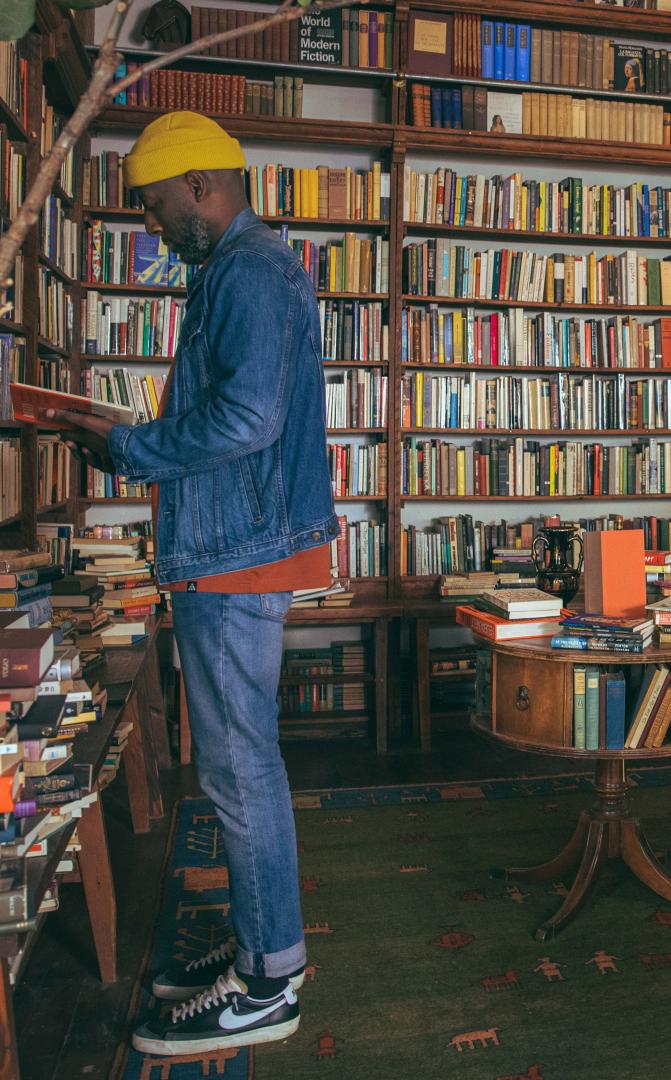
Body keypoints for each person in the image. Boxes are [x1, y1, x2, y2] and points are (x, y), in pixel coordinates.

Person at [49, 111, 338, 1055]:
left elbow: (248, 419)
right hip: (237, 547)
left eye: (155, 205)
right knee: (239, 763)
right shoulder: (244, 268)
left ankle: (268, 984)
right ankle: (264, 950)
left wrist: (128, 446)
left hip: (237, 554)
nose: (152, 225)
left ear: (201, 186)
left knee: (239, 767)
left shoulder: (249, 270)